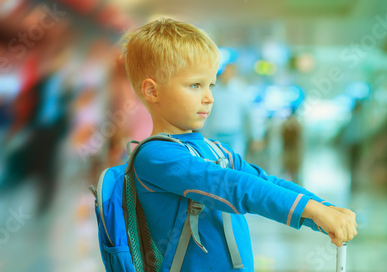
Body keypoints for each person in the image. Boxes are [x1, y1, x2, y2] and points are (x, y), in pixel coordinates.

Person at [120, 18, 357, 271]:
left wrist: (323, 209)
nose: (209, 97)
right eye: (195, 85)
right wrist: (311, 210)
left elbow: (264, 181)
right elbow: (232, 187)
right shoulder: (156, 156)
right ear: (152, 91)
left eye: (210, 84)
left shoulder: (215, 150)